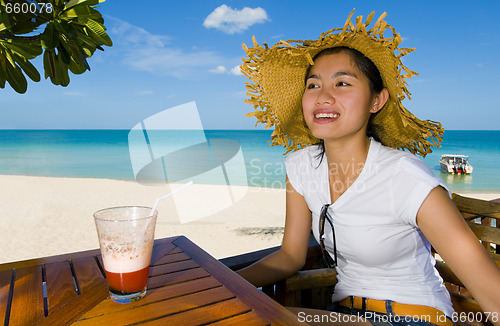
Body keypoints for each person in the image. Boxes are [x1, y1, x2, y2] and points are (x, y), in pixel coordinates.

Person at [237, 10, 500, 326]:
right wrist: (225, 279)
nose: (323, 96)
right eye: (313, 85)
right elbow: (291, 256)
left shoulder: (404, 177)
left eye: (343, 83)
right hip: (343, 315)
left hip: (414, 315)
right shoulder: (300, 167)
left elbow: (491, 292)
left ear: (376, 101)